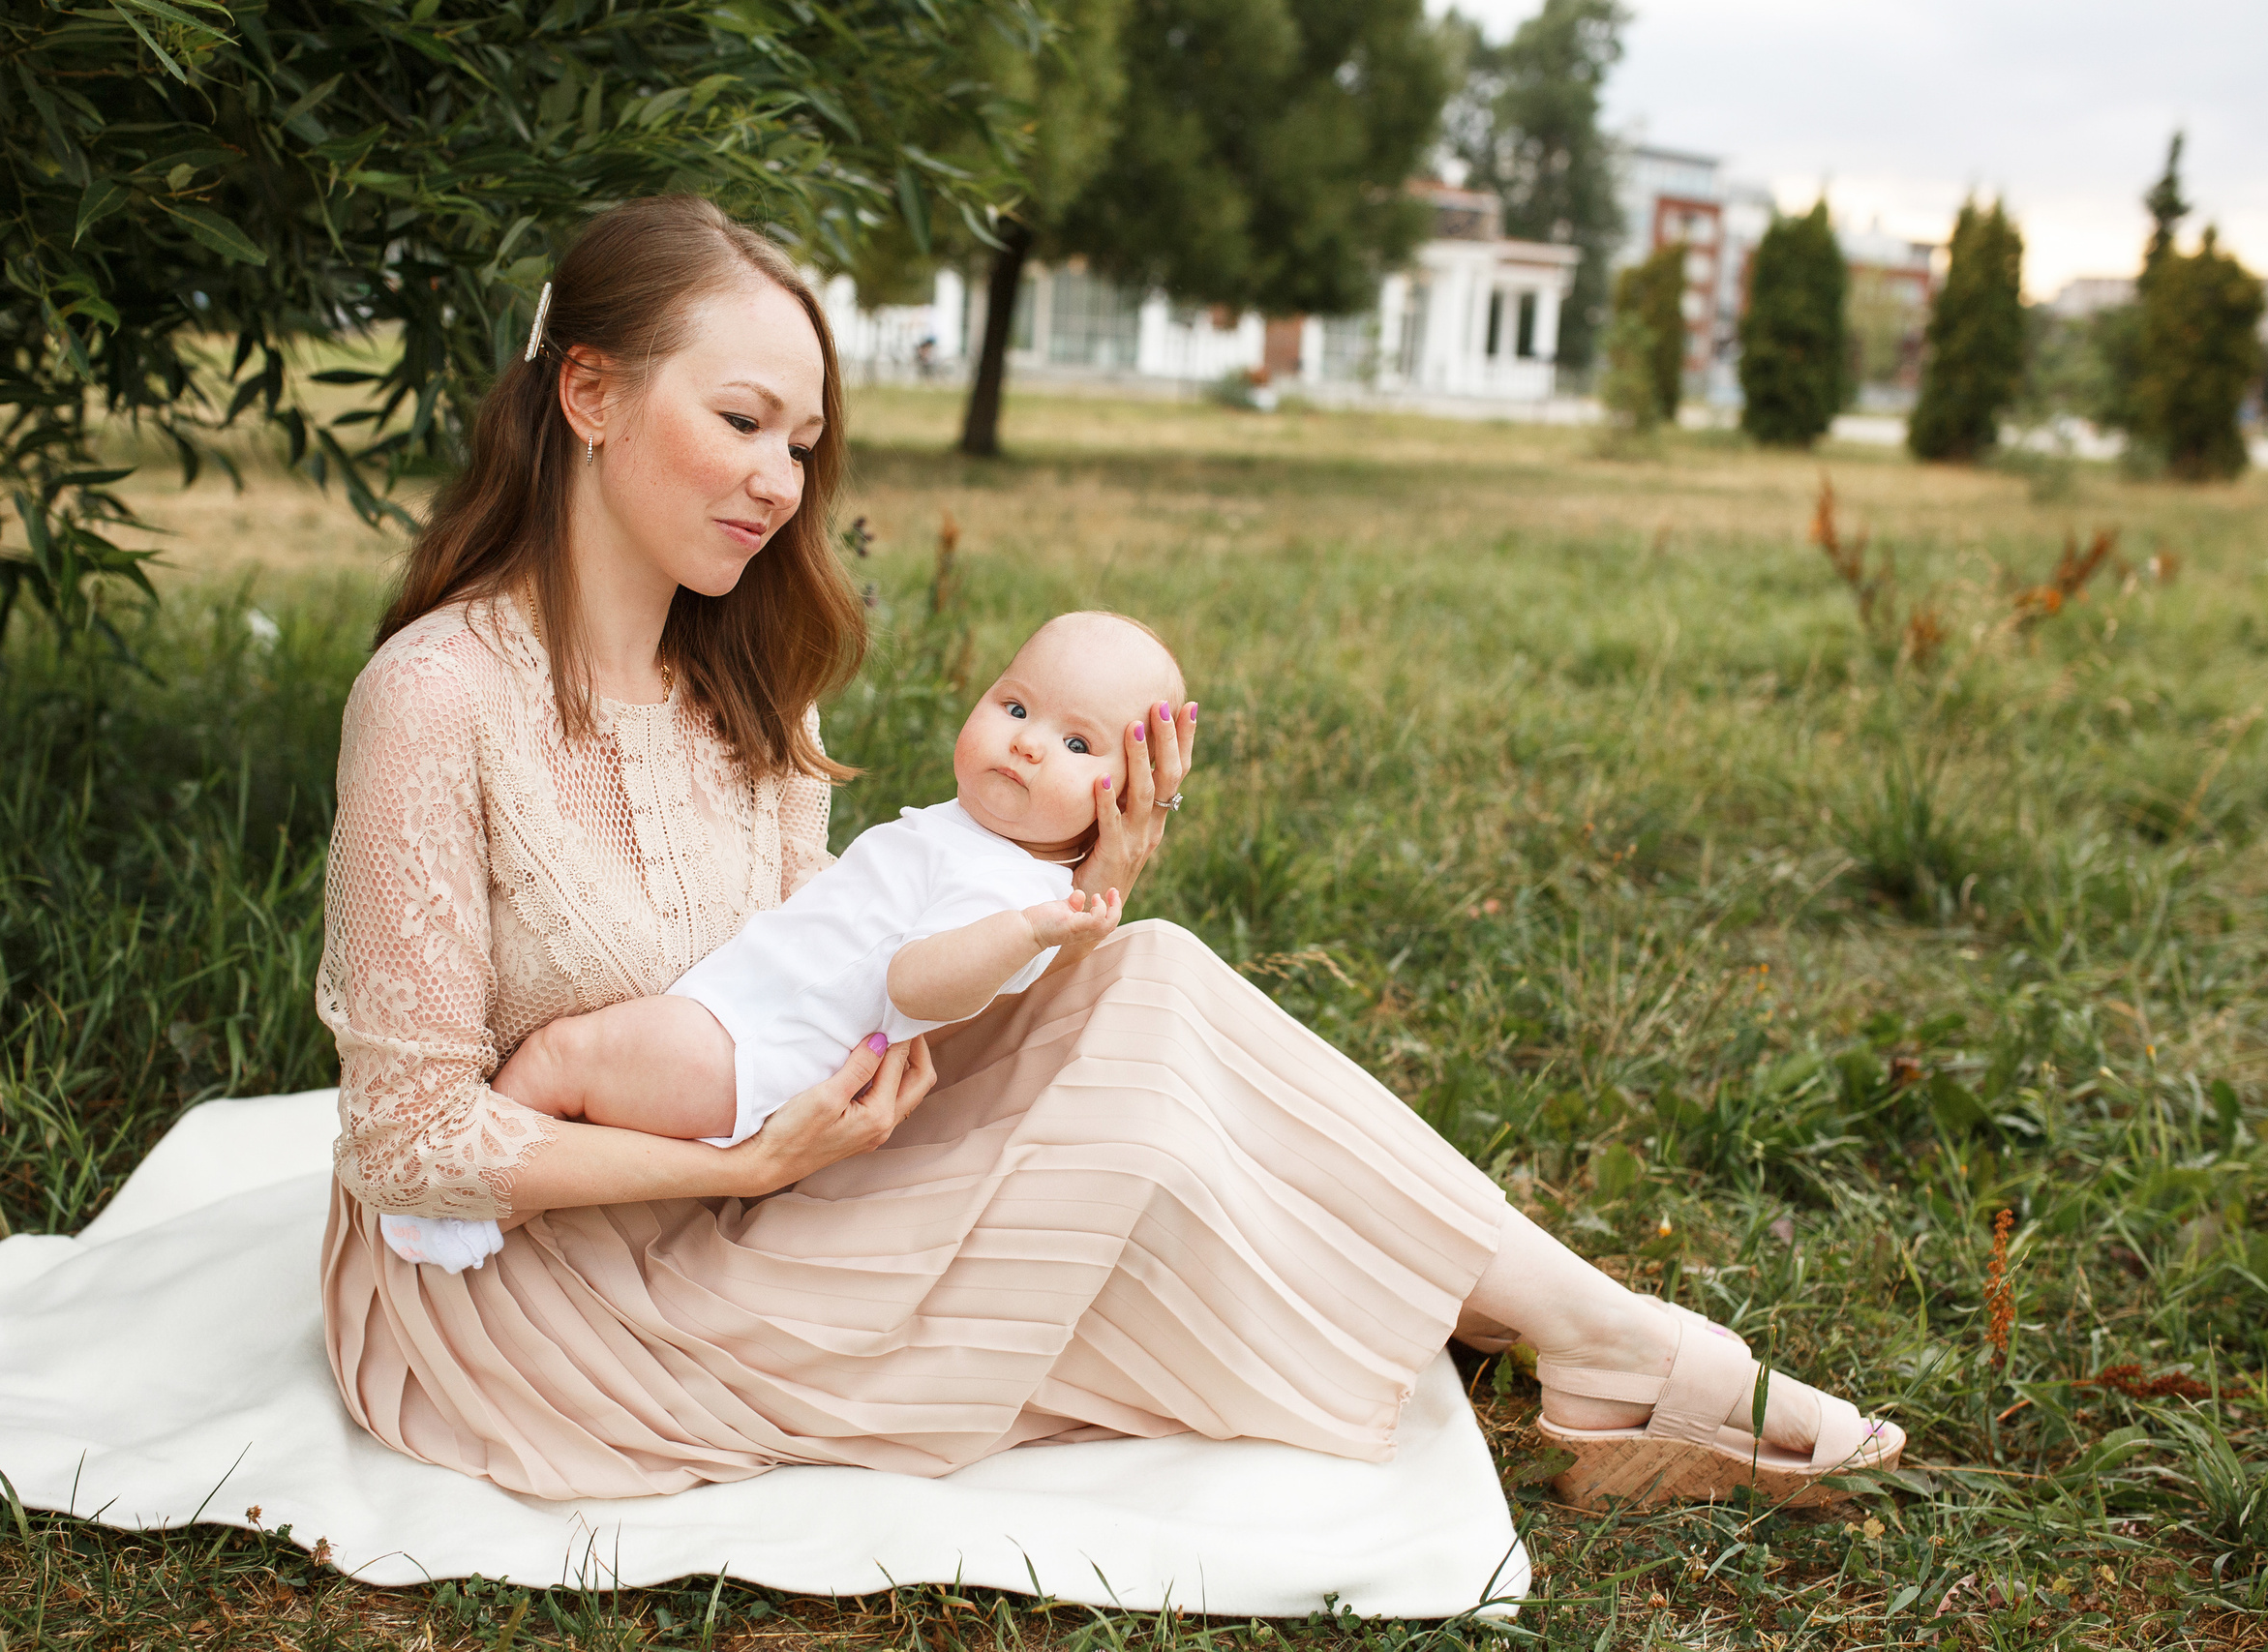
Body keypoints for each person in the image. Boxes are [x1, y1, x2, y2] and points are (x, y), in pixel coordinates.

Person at [318, 194, 1902, 1513]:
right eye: (740, 422)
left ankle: (1600, 1336)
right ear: (588, 396)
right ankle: (1594, 1342)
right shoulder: (437, 702)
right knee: (1136, 1148)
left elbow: (825, 999)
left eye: (801, 442)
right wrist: (738, 1169)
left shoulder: (751, 689)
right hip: (536, 1283)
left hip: (759, 1176)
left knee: (1143, 979)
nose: (779, 482)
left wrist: (1065, 908)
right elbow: (402, 1143)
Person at [374, 613, 1170, 1271]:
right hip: (741, 1022)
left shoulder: (1018, 897)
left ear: (1121, 799)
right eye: (1016, 707)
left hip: (750, 1050)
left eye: (1077, 745)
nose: (1028, 743)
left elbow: (918, 985)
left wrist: (1026, 930)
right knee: (589, 1099)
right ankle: (496, 1203)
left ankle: (472, 1214)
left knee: (562, 1061)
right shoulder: (975, 837)